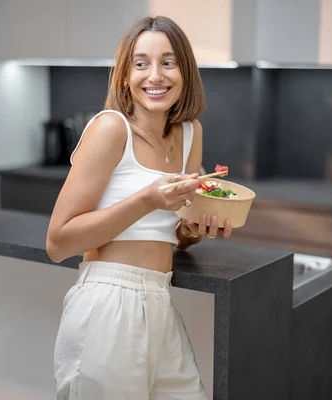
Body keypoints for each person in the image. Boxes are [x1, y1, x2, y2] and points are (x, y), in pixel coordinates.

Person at [46, 15, 233, 400]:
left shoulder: (189, 133)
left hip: (160, 302)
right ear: (126, 76)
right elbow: (58, 242)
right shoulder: (110, 128)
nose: (155, 75)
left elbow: (177, 235)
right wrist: (147, 199)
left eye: (168, 62)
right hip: (107, 303)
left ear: (184, 71)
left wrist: (197, 227)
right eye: (141, 63)